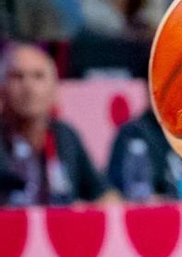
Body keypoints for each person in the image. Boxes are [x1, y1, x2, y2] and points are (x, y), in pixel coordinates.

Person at [0, 40, 104, 203]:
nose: (28, 87)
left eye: (38, 76)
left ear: (54, 90)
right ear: (2, 89)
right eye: (17, 76)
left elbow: (104, 195)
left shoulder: (65, 136)